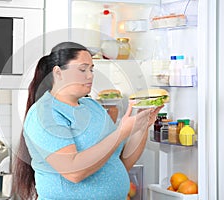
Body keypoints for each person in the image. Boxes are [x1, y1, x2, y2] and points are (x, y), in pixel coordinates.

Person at [13, 41, 163, 200]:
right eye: (82, 69)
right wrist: (122, 132)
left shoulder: (92, 106)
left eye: (91, 69)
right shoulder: (43, 114)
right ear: (58, 73)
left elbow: (120, 161)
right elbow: (74, 172)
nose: (90, 75)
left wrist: (142, 127)